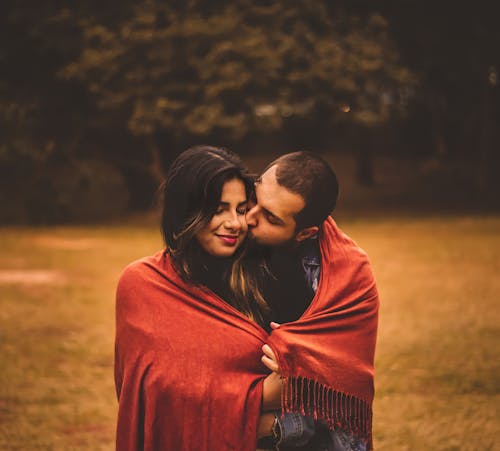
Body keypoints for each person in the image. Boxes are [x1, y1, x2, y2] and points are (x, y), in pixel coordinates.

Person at [114, 145, 279, 451]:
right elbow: (154, 395)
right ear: (186, 211)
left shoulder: (260, 277)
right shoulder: (142, 283)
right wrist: (264, 400)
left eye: (241, 209)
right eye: (218, 210)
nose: (235, 223)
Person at [247, 151, 379, 450]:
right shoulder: (226, 238)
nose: (249, 217)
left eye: (270, 218)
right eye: (255, 197)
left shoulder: (347, 273)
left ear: (304, 233)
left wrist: (300, 359)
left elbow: (344, 373)